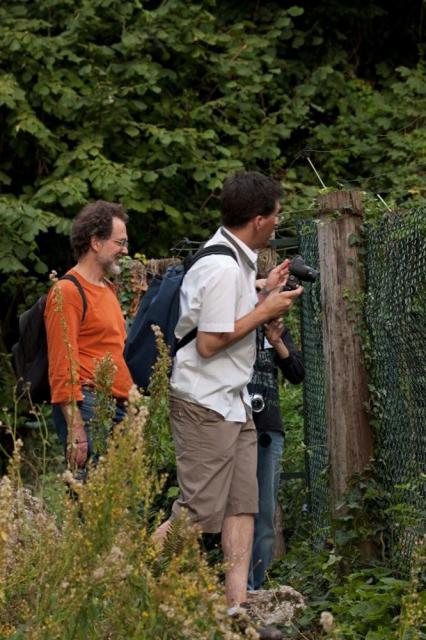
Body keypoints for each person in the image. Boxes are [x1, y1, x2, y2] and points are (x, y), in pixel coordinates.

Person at [155, 171, 304, 623]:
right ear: (258, 219)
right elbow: (208, 343)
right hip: (205, 404)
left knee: (243, 505)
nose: (278, 223)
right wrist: (265, 310)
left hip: (233, 402)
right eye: (276, 215)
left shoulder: (236, 260)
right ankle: (122, 574)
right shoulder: (222, 267)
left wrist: (259, 288)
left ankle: (235, 608)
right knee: (199, 511)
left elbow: (217, 313)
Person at [44, 200, 133, 471]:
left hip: (116, 407)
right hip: (90, 407)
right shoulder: (67, 291)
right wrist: (76, 428)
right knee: (90, 503)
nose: (125, 250)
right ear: (96, 242)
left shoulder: (107, 288)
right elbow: (61, 365)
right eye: (119, 242)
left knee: (119, 504)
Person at [248, 314, 304, 591]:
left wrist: (276, 341)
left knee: (265, 511)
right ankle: (236, 588)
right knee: (233, 508)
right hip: (233, 425)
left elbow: (297, 374)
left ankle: (255, 589)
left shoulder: (275, 327)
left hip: (268, 426)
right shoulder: (231, 319)